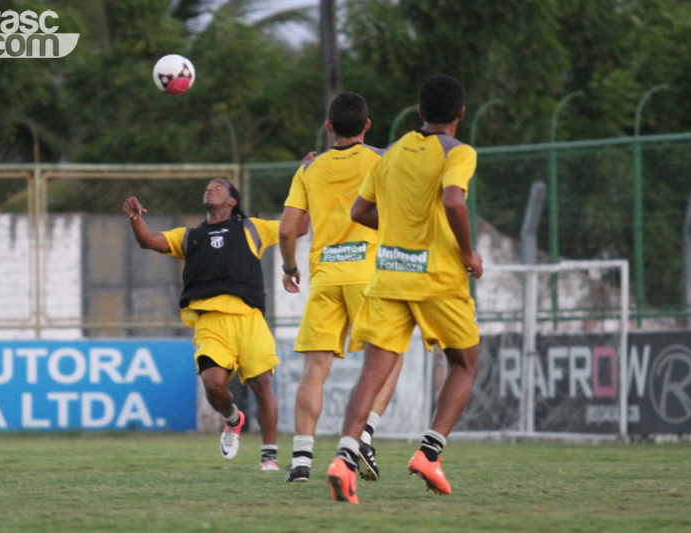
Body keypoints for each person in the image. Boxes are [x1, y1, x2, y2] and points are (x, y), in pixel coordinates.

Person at [326, 74, 484, 504]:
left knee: (372, 373)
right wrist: (468, 253)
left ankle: (343, 459)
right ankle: (429, 454)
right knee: (465, 364)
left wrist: (396, 229)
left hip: (390, 273)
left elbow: (360, 210)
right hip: (437, 278)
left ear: (419, 112)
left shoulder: (391, 154)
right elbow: (454, 200)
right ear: (461, 114)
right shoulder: (459, 151)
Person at [123, 179, 304, 471]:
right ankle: (233, 418)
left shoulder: (251, 228)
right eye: (208, 186)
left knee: (262, 385)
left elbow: (296, 228)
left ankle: (269, 458)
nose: (210, 188)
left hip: (249, 319)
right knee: (213, 384)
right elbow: (148, 241)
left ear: (232, 200)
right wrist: (135, 218)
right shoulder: (190, 236)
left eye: (218, 186)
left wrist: (305, 187)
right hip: (211, 322)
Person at [279, 92, 403, 483]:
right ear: (366, 125)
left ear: (328, 127)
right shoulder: (380, 160)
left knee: (315, 368)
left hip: (325, 276)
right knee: (389, 358)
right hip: (370, 275)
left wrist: (289, 267)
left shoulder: (309, 169)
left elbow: (287, 229)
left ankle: (301, 460)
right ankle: (362, 436)